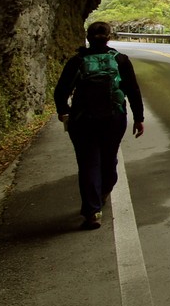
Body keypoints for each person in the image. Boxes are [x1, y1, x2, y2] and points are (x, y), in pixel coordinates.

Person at [52, 21, 145, 230]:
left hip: (83, 120)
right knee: (108, 158)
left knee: (88, 163)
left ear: (87, 36)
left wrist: (63, 111)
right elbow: (133, 90)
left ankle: (92, 212)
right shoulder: (120, 60)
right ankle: (103, 191)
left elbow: (61, 91)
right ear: (109, 37)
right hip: (114, 118)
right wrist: (139, 118)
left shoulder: (77, 61)